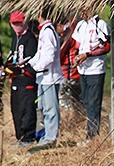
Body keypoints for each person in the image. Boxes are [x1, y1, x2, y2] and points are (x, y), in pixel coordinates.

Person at [72, 9, 110, 139]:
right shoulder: (81, 24)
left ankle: (93, 135)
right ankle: (89, 132)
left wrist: (87, 55)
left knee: (94, 102)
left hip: (95, 69)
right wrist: (75, 57)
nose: (82, 12)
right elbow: (76, 45)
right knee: (86, 102)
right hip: (82, 69)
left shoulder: (100, 24)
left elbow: (106, 47)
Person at [29, 7, 63, 146]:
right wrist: (28, 64)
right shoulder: (44, 30)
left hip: (50, 76)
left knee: (51, 108)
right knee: (43, 107)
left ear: (39, 15)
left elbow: (49, 56)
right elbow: (40, 54)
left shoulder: (48, 31)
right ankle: (47, 135)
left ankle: (51, 137)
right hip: (43, 77)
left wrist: (36, 68)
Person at [7, 11, 38, 145]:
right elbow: (11, 57)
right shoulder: (15, 38)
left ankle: (28, 137)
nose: (17, 26)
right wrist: (8, 70)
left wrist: (21, 69)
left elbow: (31, 61)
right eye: (14, 23)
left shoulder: (30, 39)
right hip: (16, 79)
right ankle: (19, 137)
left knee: (27, 109)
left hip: (27, 79)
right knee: (16, 109)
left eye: (19, 23)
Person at [57, 18, 82, 113]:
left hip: (68, 75)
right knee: (76, 103)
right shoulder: (74, 34)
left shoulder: (69, 36)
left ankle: (69, 124)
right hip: (75, 74)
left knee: (65, 104)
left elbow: (59, 56)